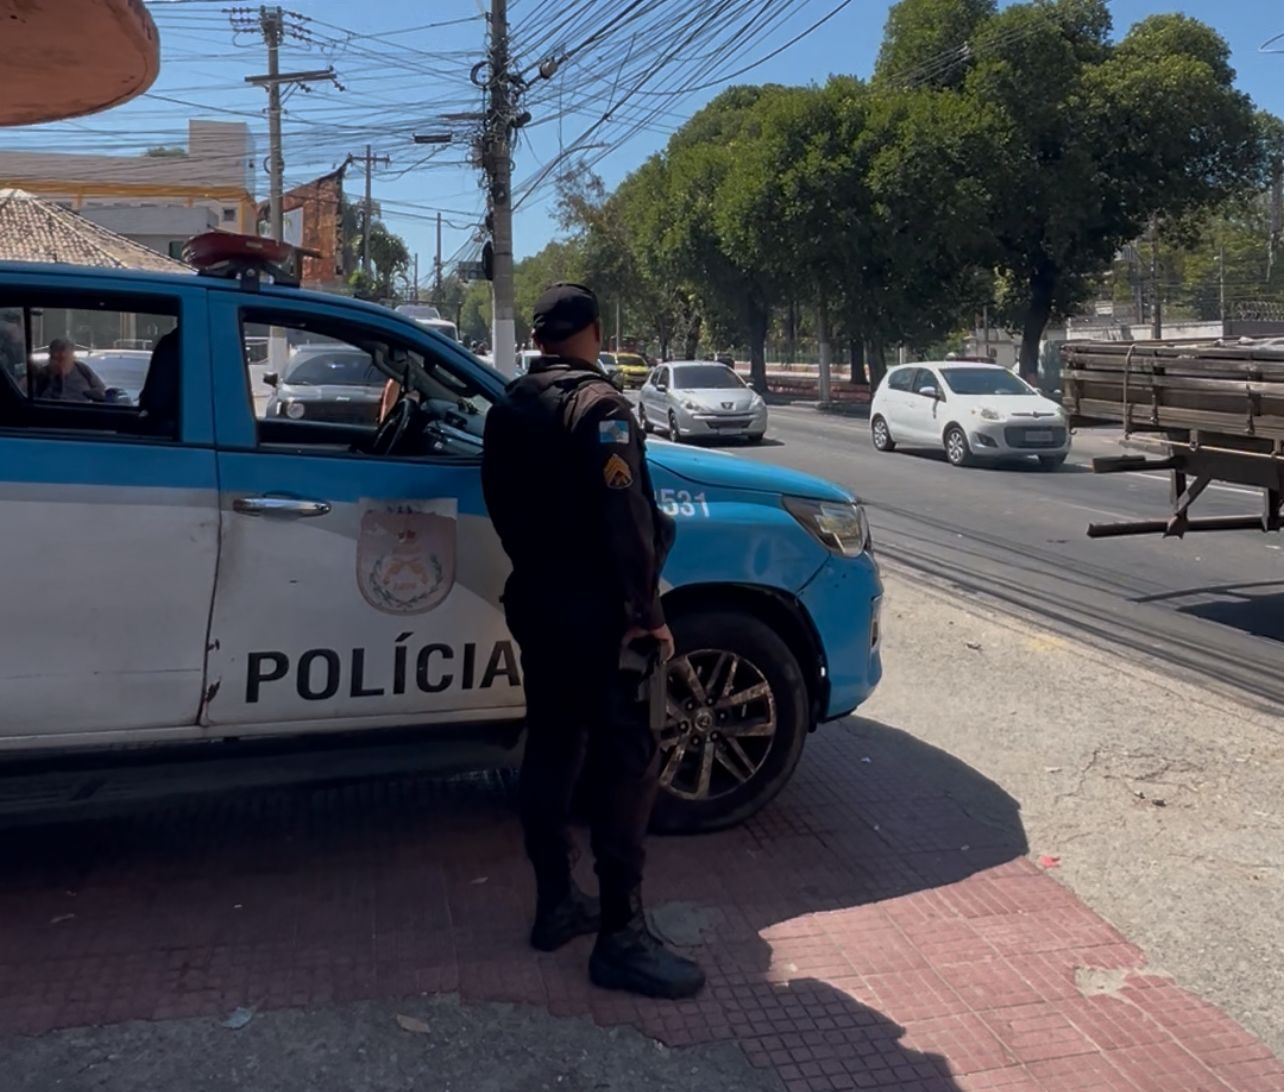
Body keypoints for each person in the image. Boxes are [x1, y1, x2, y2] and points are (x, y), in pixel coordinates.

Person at [481, 282, 704, 1000]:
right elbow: (626, 520)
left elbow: (501, 506)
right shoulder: (602, 408)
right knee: (627, 761)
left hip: (537, 600)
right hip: (601, 616)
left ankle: (556, 906)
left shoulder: (510, 407)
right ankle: (620, 937)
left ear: (541, 335)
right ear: (595, 331)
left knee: (551, 745)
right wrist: (647, 610)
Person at [32, 338, 106, 402]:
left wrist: (90, 394)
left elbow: (100, 389)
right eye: (56, 358)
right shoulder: (43, 373)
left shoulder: (81, 368)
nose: (60, 361)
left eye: (64, 357)